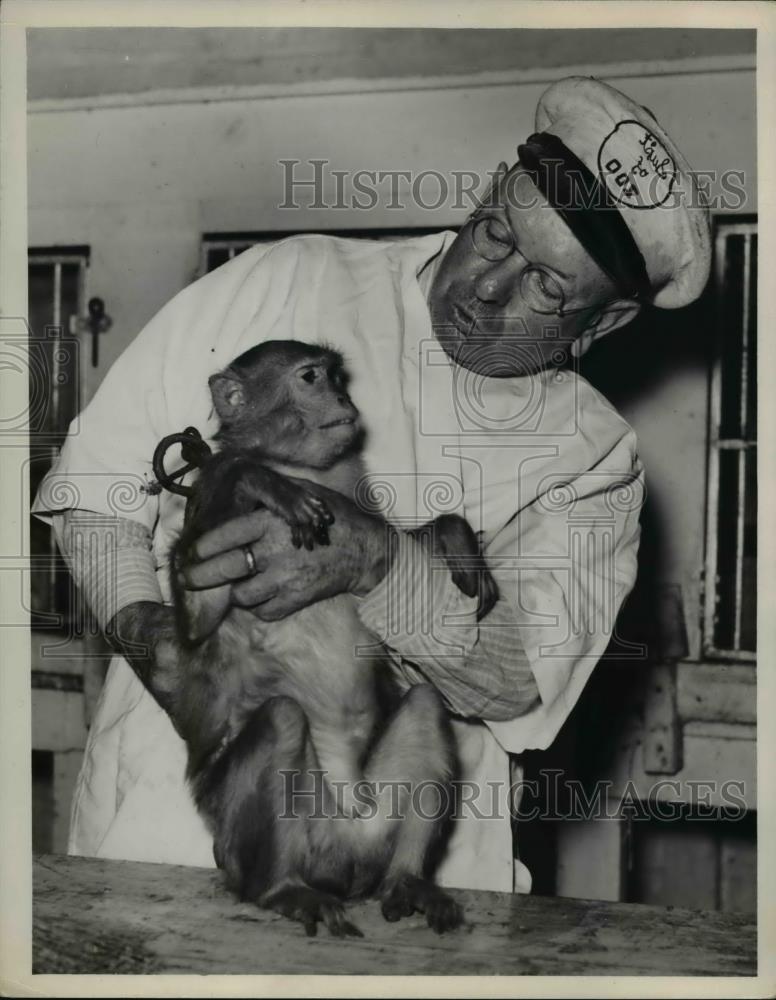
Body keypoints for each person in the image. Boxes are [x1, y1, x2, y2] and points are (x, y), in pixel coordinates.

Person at [33, 76, 710, 894]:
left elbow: (520, 678)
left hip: (400, 877)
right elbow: (96, 486)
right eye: (496, 233)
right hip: (167, 840)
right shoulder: (288, 281)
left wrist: (380, 564)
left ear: (605, 322)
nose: (490, 285)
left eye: (546, 287)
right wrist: (162, 654)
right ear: (494, 185)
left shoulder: (593, 458)